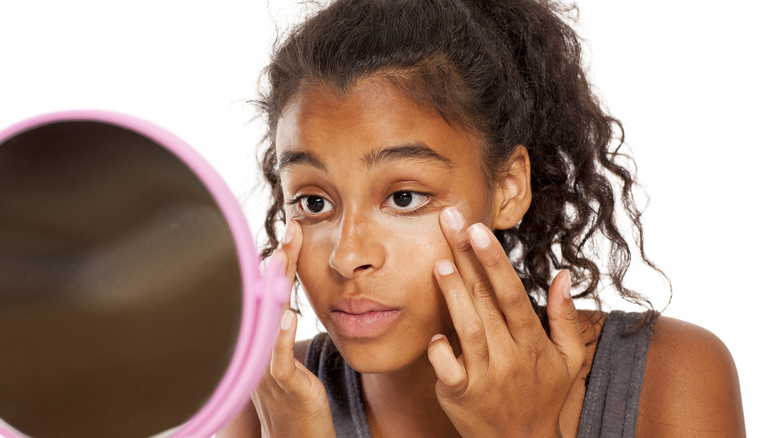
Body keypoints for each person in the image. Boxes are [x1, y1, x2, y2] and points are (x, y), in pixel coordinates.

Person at [220, 0, 745, 436]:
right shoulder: (263, 399)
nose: (348, 255)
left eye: (404, 197)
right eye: (314, 202)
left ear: (507, 187)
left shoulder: (670, 379)